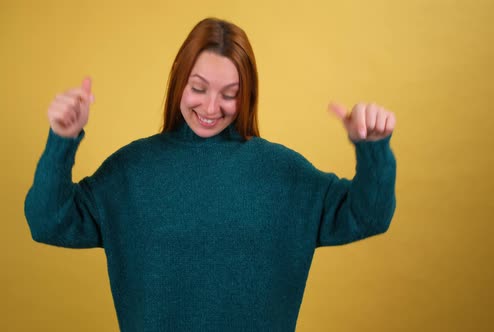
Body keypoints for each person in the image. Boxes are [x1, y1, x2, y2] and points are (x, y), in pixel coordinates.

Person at [25, 17, 396, 331]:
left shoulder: (285, 176)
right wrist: (63, 139)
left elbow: (369, 215)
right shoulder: (130, 172)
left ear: (247, 94)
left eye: (230, 93)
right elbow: (47, 222)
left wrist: (373, 148)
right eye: (198, 88)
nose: (211, 107)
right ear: (179, 81)